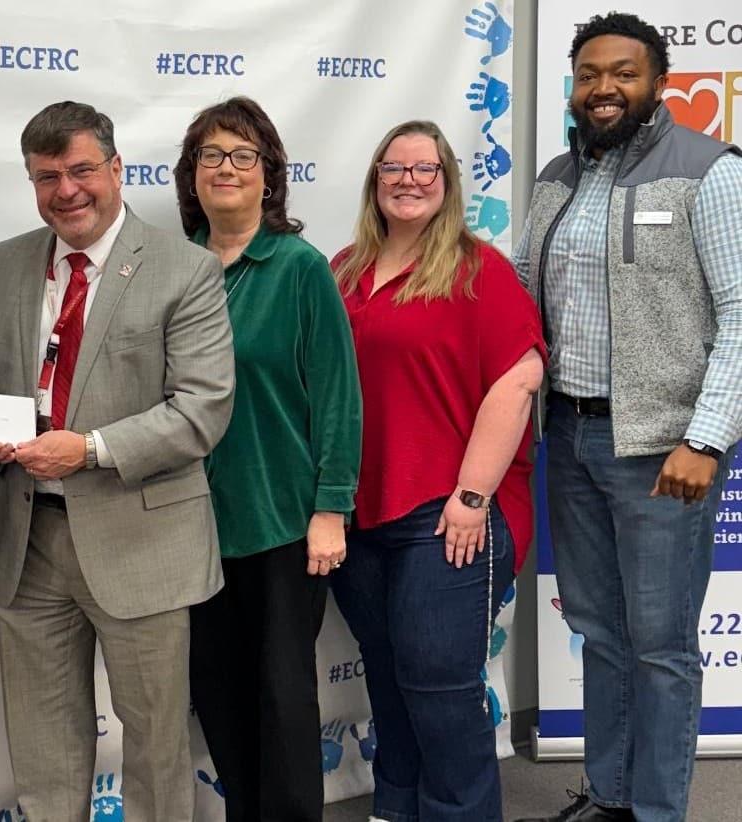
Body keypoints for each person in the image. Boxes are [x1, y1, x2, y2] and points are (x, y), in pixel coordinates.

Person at [0, 100, 235, 822]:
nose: (66, 191)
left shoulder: (186, 269)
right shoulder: (1, 266)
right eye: (47, 177)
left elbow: (201, 409)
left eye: (81, 170)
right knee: (44, 745)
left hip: (143, 542)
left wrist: (89, 449)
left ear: (116, 169)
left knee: (155, 745)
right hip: (29, 542)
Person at [512, 13, 742, 822]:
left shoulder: (709, 171)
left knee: (661, 646)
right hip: (570, 437)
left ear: (658, 83)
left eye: (622, 73)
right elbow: (522, 290)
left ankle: (657, 811)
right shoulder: (556, 177)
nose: (602, 88)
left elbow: (741, 317)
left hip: (663, 451)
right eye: (588, 75)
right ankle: (610, 797)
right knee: (600, 634)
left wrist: (705, 439)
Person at [329, 120, 545, 822]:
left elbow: (519, 379)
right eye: (394, 168)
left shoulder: (478, 269)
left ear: (447, 182)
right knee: (388, 673)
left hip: (449, 508)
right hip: (361, 509)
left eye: (425, 169)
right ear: (375, 180)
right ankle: (396, 807)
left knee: (438, 680)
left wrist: (472, 498)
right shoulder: (344, 270)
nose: (409, 181)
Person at [172, 96, 362, 822]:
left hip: (282, 521)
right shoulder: (171, 269)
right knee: (218, 694)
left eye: (243, 155)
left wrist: (331, 508)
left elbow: (338, 396)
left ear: (269, 174)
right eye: (211, 155)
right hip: (190, 525)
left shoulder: (299, 268)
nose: (226, 168)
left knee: (282, 699)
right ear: (191, 173)